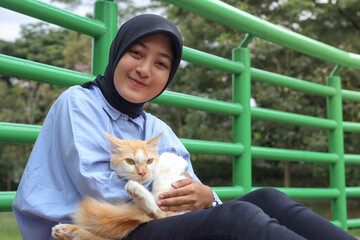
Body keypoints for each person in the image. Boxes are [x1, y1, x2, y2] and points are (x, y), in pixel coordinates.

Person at [12, 14, 355, 240]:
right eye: (136, 53)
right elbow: (99, 186)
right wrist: (174, 204)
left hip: (150, 222)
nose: (144, 69)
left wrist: (206, 198)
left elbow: (196, 192)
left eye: (161, 63)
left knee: (268, 198)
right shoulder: (79, 102)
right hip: (97, 229)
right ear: (116, 53)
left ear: (168, 75)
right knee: (238, 220)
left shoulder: (156, 127)